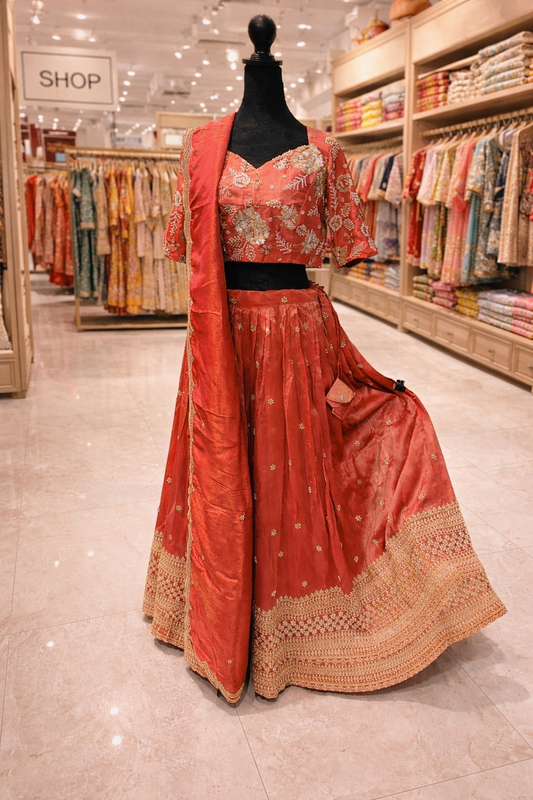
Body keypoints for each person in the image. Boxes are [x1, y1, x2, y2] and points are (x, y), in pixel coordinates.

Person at [143, 15, 506, 704]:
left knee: (295, 466)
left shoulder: (324, 152)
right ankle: (209, 607)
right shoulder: (198, 149)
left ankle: (291, 626)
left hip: (295, 334)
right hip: (221, 339)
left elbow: (342, 243)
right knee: (217, 469)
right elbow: (180, 245)